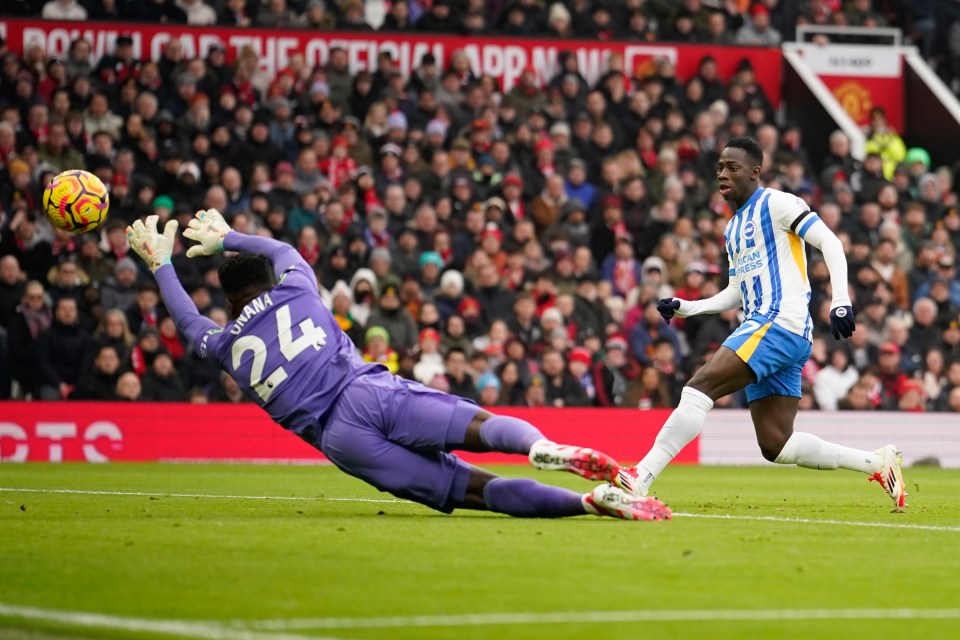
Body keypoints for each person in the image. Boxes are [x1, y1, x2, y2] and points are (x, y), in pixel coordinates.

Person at [125, 211, 671, 522]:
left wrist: (160, 265)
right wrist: (228, 238)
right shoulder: (296, 287)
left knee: (472, 490)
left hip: (341, 439)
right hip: (365, 390)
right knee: (479, 427)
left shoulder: (224, 343)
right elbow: (286, 247)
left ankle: (589, 503)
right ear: (267, 280)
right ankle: (539, 447)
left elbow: (187, 322)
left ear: (230, 302)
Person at [614, 137, 906, 510]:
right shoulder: (733, 229)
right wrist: (688, 308)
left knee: (699, 388)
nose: (723, 174)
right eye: (720, 167)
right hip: (780, 332)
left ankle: (641, 475)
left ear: (755, 172)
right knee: (776, 445)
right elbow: (735, 291)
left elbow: (830, 243)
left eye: (732, 167)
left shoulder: (778, 203)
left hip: (777, 322)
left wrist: (841, 300)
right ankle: (877, 462)